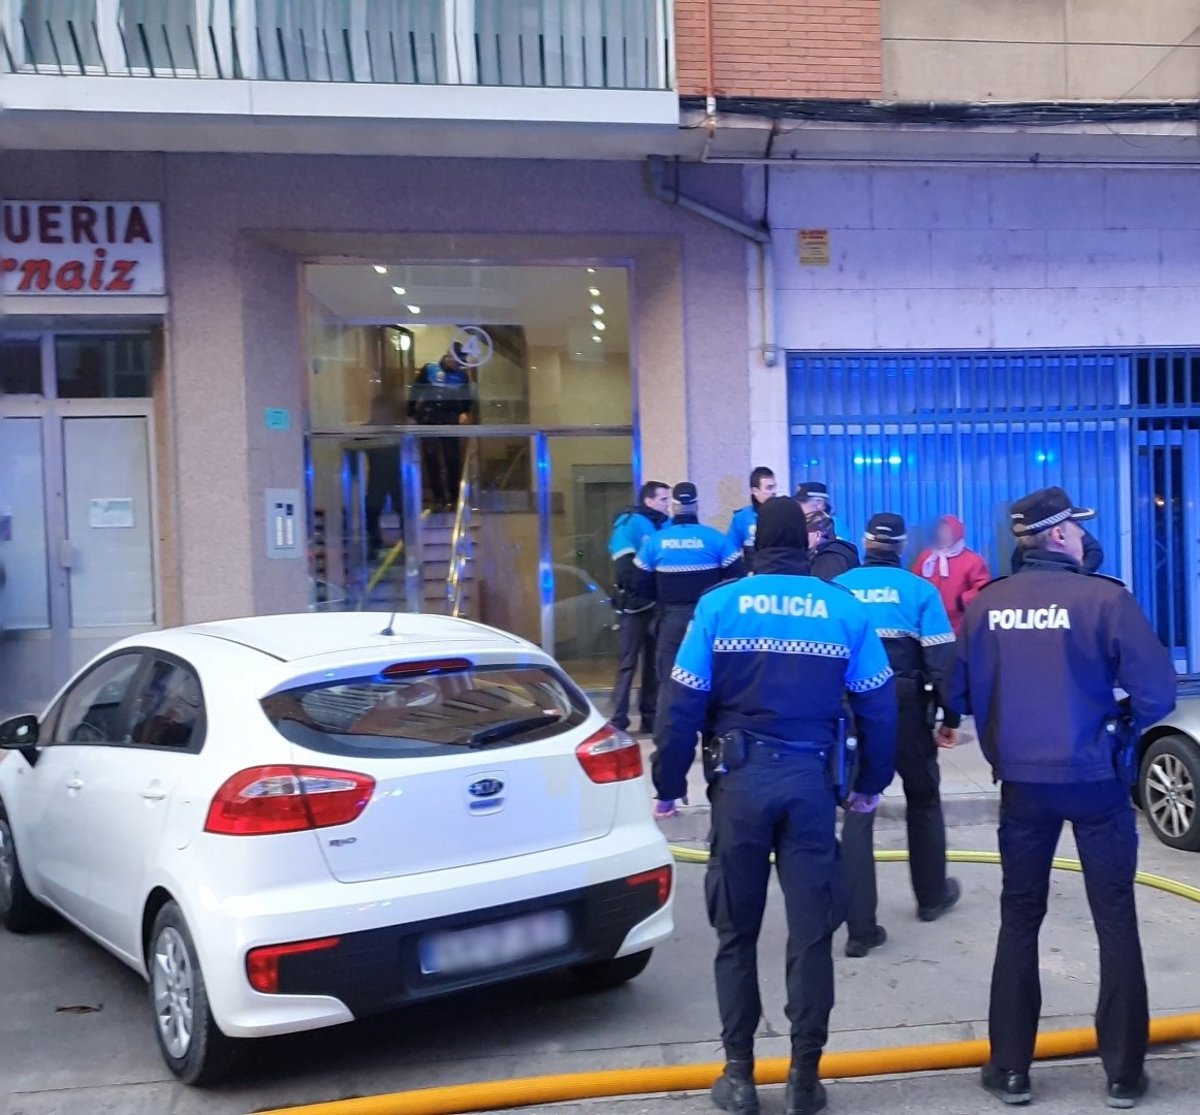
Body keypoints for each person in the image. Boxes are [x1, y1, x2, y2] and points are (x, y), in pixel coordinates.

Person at [654, 497, 898, 1115]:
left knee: (735, 932)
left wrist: (669, 783)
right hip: (811, 784)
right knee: (812, 933)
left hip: (739, 783)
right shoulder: (843, 607)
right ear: (808, 544)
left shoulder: (718, 604)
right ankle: (803, 1080)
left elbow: (681, 703)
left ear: (755, 543)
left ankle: (739, 1077)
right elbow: (878, 703)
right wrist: (871, 781)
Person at [950, 487, 1176, 1110]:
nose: (1080, 535)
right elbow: (1157, 695)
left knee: (1020, 918)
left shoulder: (988, 603)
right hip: (1096, 780)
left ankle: (1011, 1069)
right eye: (1075, 526)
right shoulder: (1105, 599)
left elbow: (958, 694)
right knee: (1115, 918)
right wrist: (1116, 725)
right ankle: (1123, 1074)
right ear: (1057, 535)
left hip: (1023, 786)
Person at [835, 513, 962, 959]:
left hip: (853, 710)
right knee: (923, 798)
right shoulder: (919, 591)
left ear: (865, 542)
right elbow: (942, 663)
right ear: (903, 546)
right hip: (906, 710)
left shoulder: (839, 588)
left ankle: (860, 930)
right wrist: (951, 717)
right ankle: (931, 897)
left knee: (859, 808)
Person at [636, 483, 744, 815]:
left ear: (673, 507)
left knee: (673, 701)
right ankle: (721, 781)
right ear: (696, 505)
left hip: (671, 625)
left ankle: (667, 794)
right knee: (717, 701)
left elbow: (638, 583)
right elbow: (737, 576)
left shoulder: (656, 542)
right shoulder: (715, 540)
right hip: (711, 624)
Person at [607, 481, 671, 735]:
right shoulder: (629, 523)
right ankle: (618, 719)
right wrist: (645, 589)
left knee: (654, 666)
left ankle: (649, 718)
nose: (668, 504)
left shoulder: (667, 526)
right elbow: (624, 568)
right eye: (663, 499)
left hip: (658, 607)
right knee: (627, 664)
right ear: (649, 501)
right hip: (634, 607)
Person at [407, 351, 475, 510]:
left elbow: (467, 397)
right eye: (455, 361)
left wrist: (464, 412)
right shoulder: (430, 369)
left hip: (450, 418)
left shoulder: (461, 376)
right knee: (431, 457)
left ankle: (454, 496)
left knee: (452, 458)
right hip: (429, 417)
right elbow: (416, 390)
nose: (456, 365)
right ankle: (439, 497)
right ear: (448, 357)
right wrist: (410, 413)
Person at [913, 515, 991, 634]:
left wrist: (962, 601)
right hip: (928, 624)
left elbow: (983, 589)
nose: (943, 535)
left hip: (959, 626)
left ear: (956, 533)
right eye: (940, 531)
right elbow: (914, 583)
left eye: (947, 531)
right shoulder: (927, 558)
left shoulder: (972, 560)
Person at [364, 391, 404, 558]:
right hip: (378, 476)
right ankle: (375, 545)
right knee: (372, 511)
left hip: (396, 476)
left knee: (402, 509)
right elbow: (350, 444)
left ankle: (406, 546)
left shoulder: (398, 429)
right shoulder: (368, 430)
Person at [726, 466, 778, 562]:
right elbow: (730, 552)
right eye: (769, 488)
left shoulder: (783, 515)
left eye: (774, 487)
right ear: (755, 491)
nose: (774, 492)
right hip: (752, 569)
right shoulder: (742, 517)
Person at [1011, 526, 1102, 574]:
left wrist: (1079, 576)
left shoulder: (1071, 528)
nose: (1081, 533)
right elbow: (1016, 560)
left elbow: (1094, 551)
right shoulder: (1030, 535)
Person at [806, 510, 860, 582]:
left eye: (804, 534)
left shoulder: (828, 558)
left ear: (818, 535)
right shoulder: (841, 550)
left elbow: (825, 588)